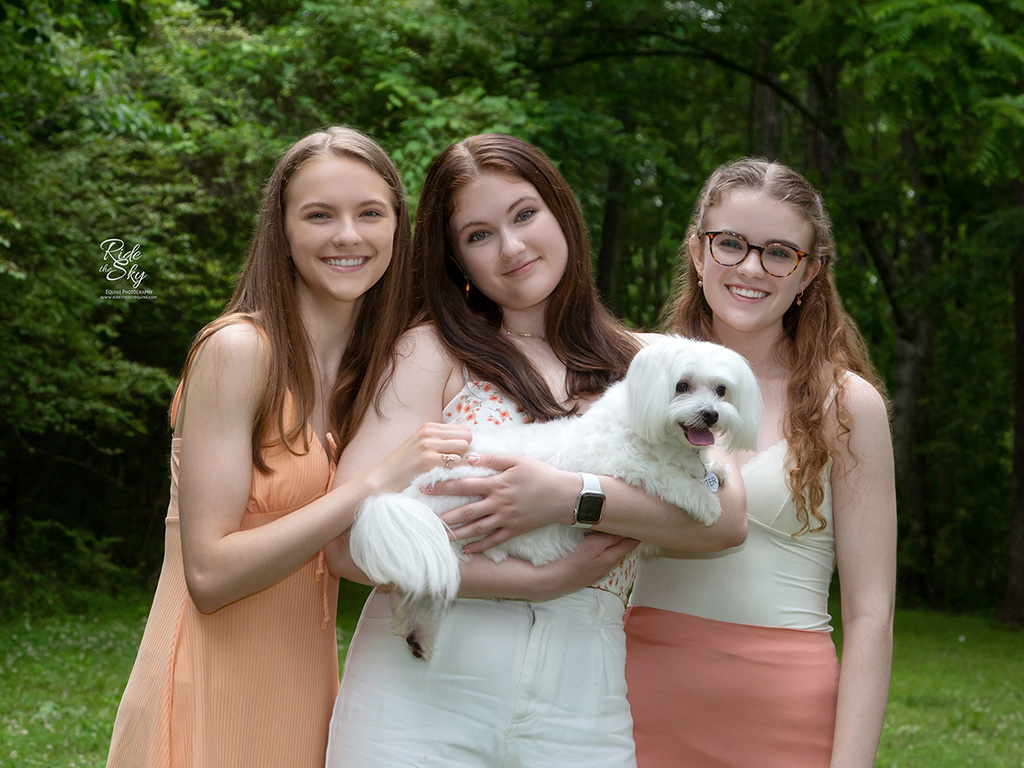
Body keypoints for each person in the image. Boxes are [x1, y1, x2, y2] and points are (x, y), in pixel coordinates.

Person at [322, 134, 747, 768]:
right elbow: (342, 540)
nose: (513, 247)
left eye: (525, 214)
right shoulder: (430, 353)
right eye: (478, 235)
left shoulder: (653, 363)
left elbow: (724, 518)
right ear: (455, 260)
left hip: (584, 697)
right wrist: (540, 580)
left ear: (561, 211)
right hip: (424, 689)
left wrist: (572, 499)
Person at [105, 126, 472, 768]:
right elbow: (210, 575)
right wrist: (372, 483)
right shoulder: (240, 351)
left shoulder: (375, 375)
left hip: (307, 693)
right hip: (209, 684)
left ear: (397, 227)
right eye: (319, 215)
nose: (347, 236)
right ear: (283, 230)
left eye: (369, 213)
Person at [624, 158, 896, 768]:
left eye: (779, 252)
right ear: (698, 253)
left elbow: (870, 615)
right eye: (730, 244)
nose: (750, 267)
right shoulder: (636, 373)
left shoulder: (848, 406)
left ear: (810, 273)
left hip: (784, 716)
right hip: (631, 697)